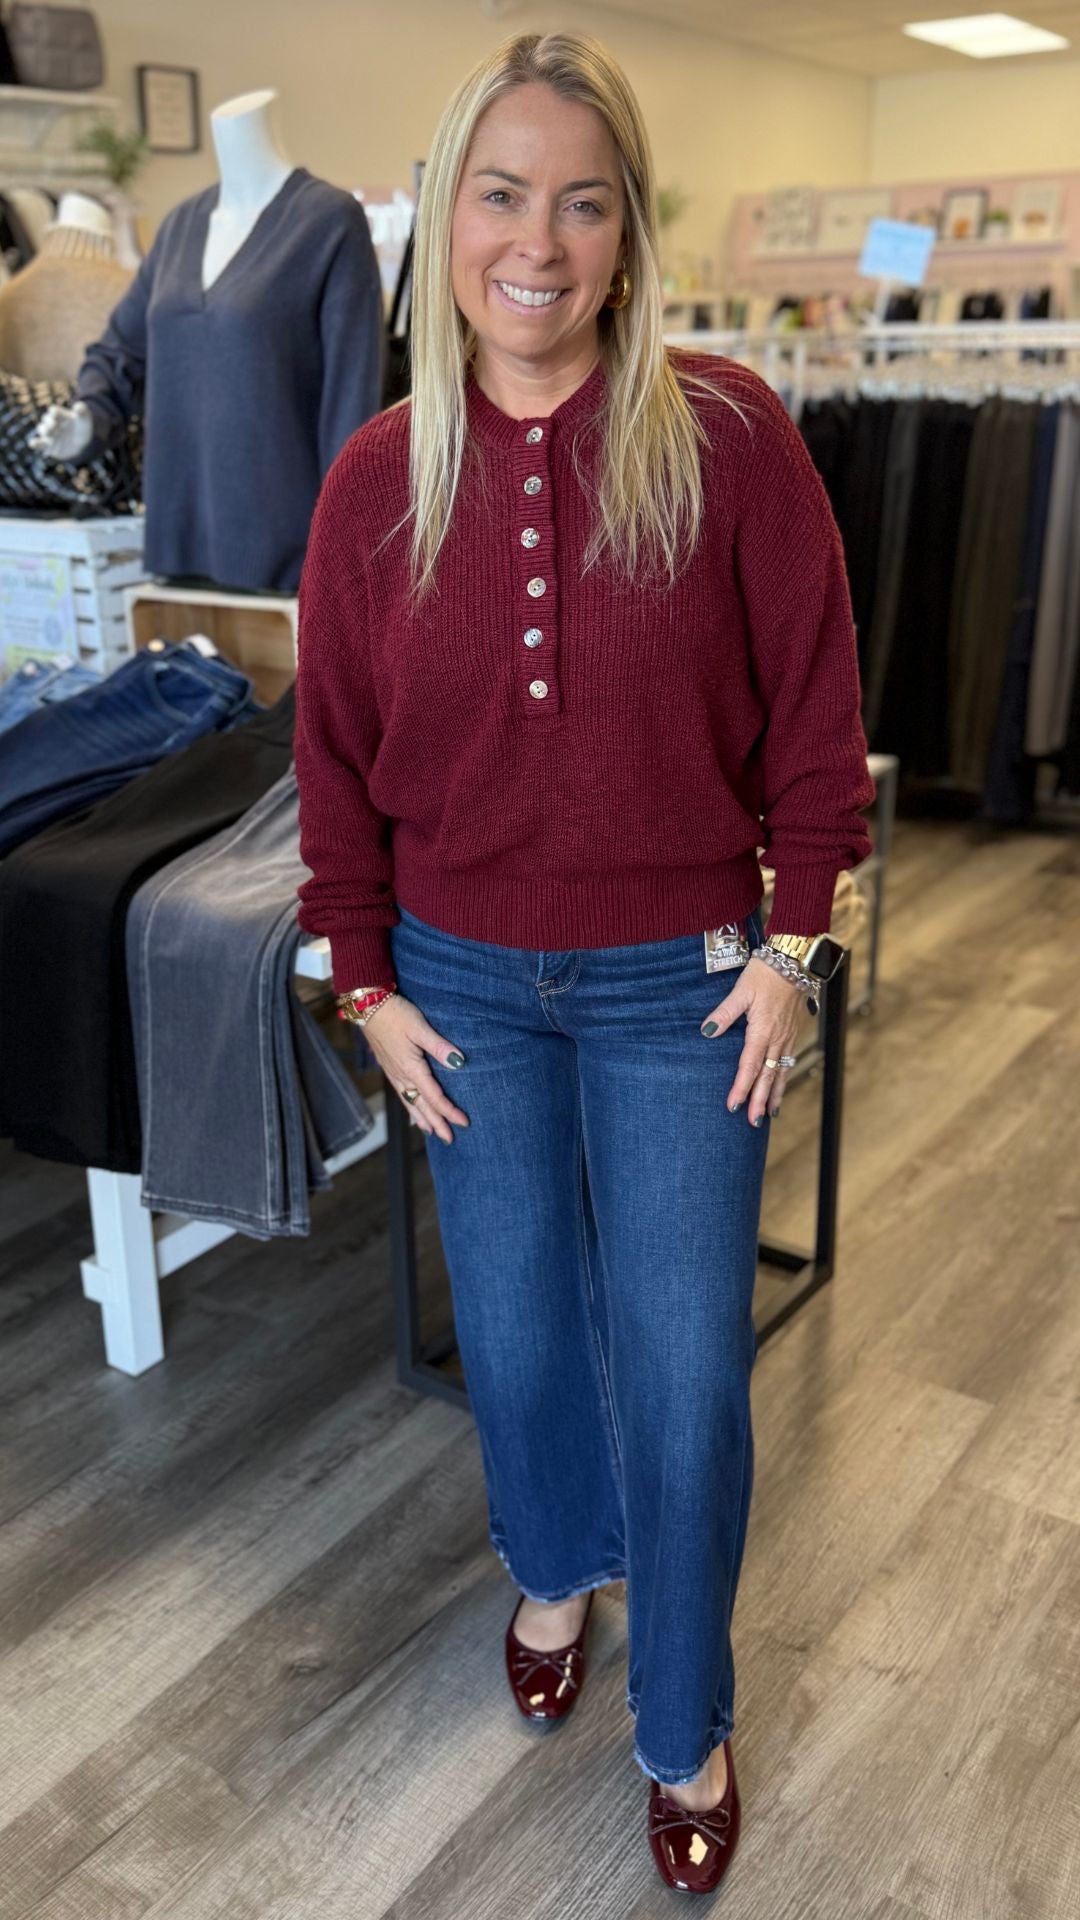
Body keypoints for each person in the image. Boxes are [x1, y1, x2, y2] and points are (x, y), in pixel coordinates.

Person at [293, 29, 874, 1897]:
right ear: (444, 217)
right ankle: (554, 1567)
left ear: (628, 239)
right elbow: (334, 772)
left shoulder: (729, 436)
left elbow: (813, 716)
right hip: (460, 989)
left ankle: (684, 1708)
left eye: (584, 203)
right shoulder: (376, 483)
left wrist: (797, 946)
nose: (537, 241)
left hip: (684, 985)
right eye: (501, 194)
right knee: (526, 1340)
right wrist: (369, 987)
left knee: (688, 1365)